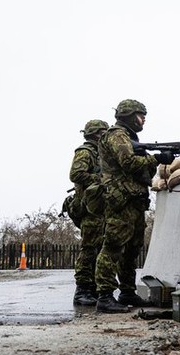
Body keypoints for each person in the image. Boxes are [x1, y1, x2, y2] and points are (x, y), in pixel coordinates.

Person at [94, 99, 174, 313]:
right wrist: (156, 159)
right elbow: (128, 163)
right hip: (121, 200)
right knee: (113, 247)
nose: (143, 119)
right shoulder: (117, 135)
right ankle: (104, 295)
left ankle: (127, 291)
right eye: (140, 115)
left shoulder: (129, 138)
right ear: (129, 115)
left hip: (134, 200)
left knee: (132, 249)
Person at [69, 119, 109, 306]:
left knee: (99, 247)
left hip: (99, 207)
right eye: (104, 132)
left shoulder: (101, 153)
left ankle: (92, 288)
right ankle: (82, 289)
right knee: (89, 249)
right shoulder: (85, 152)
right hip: (88, 208)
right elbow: (76, 174)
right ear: (96, 134)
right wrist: (101, 178)